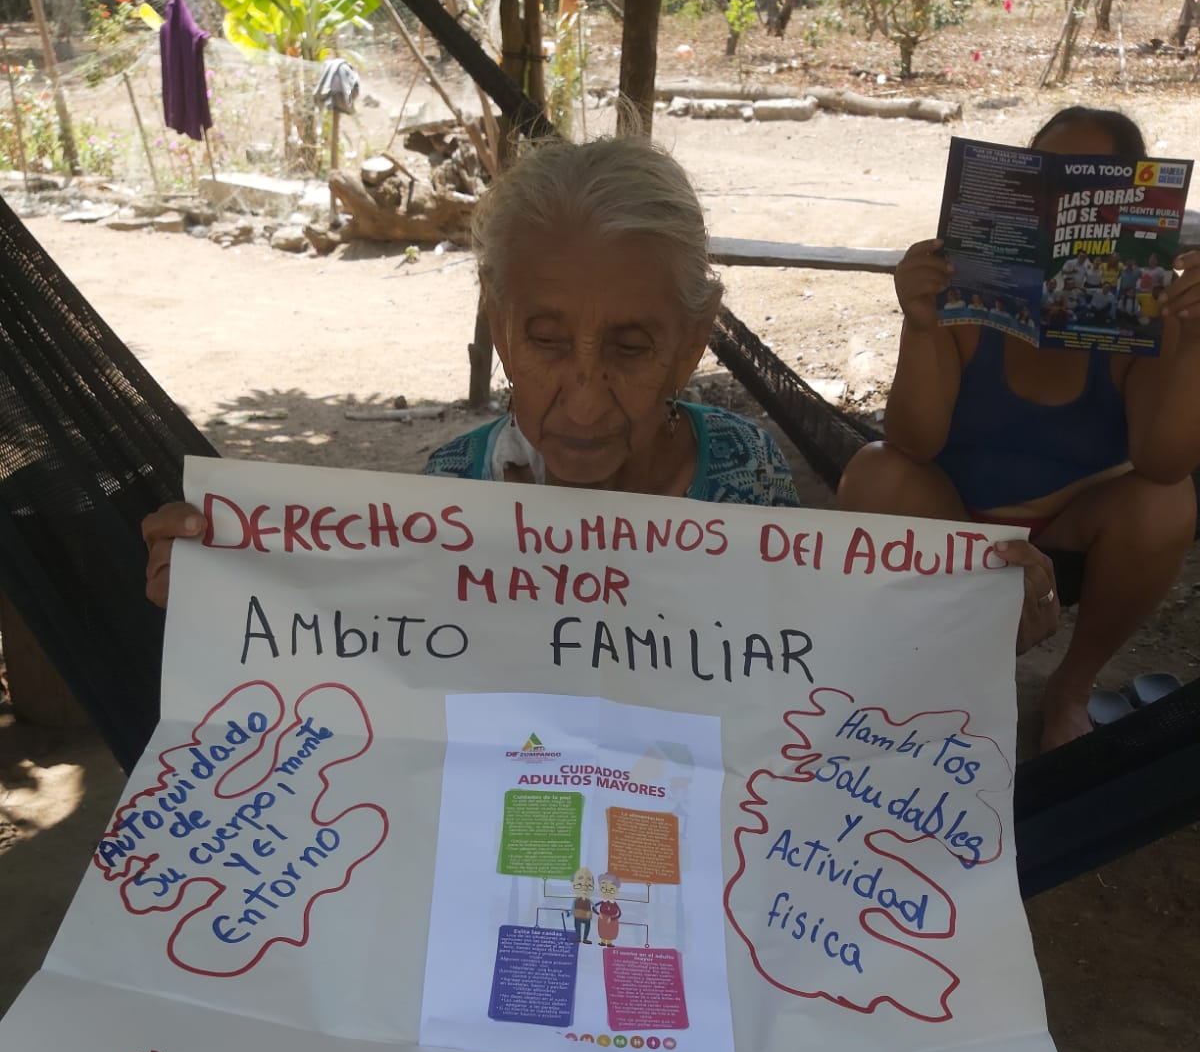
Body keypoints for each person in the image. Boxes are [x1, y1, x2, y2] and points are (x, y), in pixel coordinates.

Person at [142, 133, 1049, 631]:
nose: (581, 401)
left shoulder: (746, 479)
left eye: (630, 347)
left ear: (692, 344)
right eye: (544, 341)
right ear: (499, 324)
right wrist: (227, 588)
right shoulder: (446, 499)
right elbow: (370, 652)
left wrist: (978, 612)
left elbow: (807, 649)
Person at [838, 106, 1199, 752]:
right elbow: (913, 444)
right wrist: (920, 325)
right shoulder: (966, 293)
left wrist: (1195, 342)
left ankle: (1071, 689)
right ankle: (937, 670)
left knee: (1166, 503)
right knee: (875, 470)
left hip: (1071, 528)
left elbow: (1164, 464)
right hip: (954, 520)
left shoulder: (1148, 314)